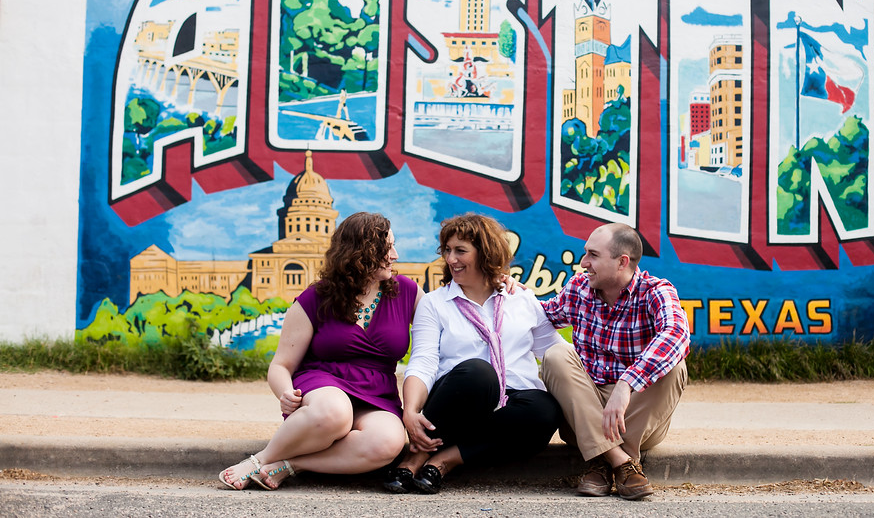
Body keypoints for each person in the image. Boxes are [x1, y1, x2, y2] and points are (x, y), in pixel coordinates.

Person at [218, 211, 421, 490]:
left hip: (377, 394)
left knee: (387, 443)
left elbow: (451, 313)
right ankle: (258, 460)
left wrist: (498, 285)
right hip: (324, 383)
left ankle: (289, 466)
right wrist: (284, 393)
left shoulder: (407, 292)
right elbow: (281, 365)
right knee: (335, 413)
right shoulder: (317, 297)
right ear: (360, 253)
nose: (395, 255)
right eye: (387, 249)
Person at [383, 214, 565, 494]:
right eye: (447, 250)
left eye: (460, 250)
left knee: (544, 410)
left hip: (513, 404)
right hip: (459, 401)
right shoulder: (435, 304)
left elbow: (554, 353)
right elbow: (423, 361)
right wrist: (411, 410)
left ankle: (446, 460)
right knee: (479, 374)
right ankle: (415, 458)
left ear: (486, 253)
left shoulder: (521, 299)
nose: (451, 259)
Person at [539, 222, 689, 501]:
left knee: (675, 366)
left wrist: (626, 384)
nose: (584, 263)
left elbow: (676, 333)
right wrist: (512, 291)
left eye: (593, 255)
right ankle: (623, 462)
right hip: (585, 410)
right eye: (586, 254)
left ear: (622, 262)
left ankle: (600, 461)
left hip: (637, 417)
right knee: (556, 356)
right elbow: (541, 314)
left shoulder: (656, 291)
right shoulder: (578, 288)